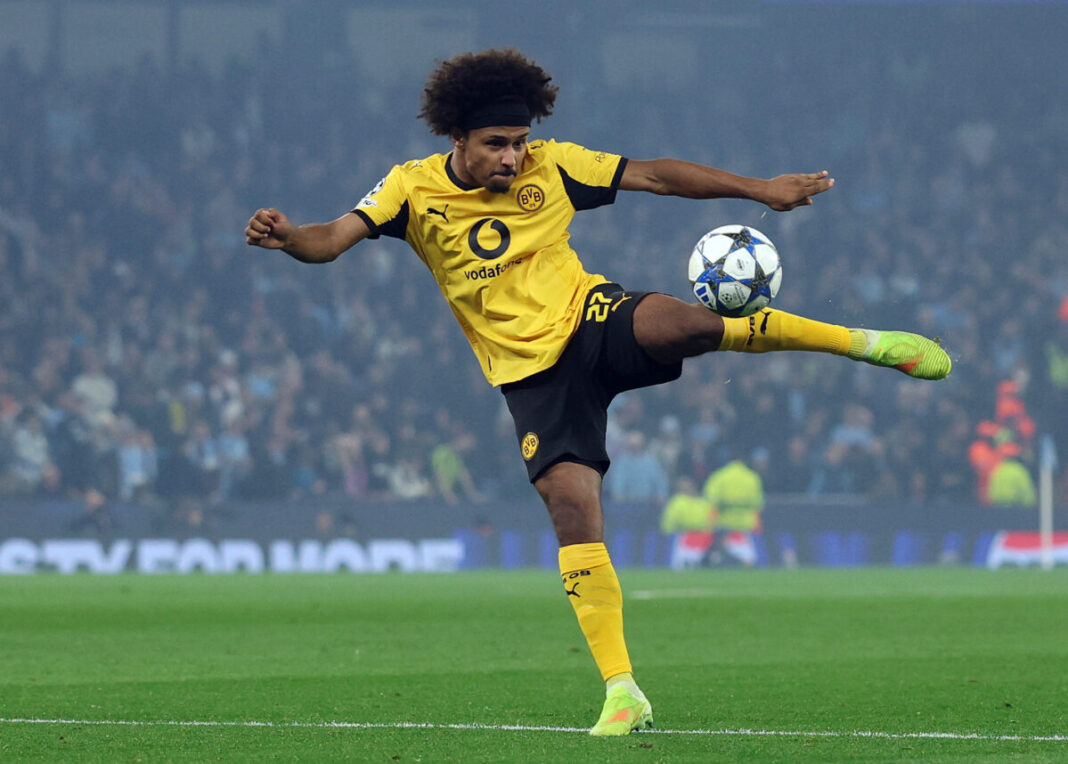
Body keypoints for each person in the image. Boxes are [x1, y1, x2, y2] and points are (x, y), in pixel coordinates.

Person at [245, 48, 952, 735]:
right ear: (456, 137)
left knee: (689, 323)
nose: (513, 158)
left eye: (520, 142)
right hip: (530, 377)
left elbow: (656, 176)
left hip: (589, 318)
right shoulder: (410, 188)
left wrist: (760, 189)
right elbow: (330, 240)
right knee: (573, 512)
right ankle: (623, 691)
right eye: (496, 144)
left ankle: (865, 343)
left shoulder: (553, 167)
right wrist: (290, 237)